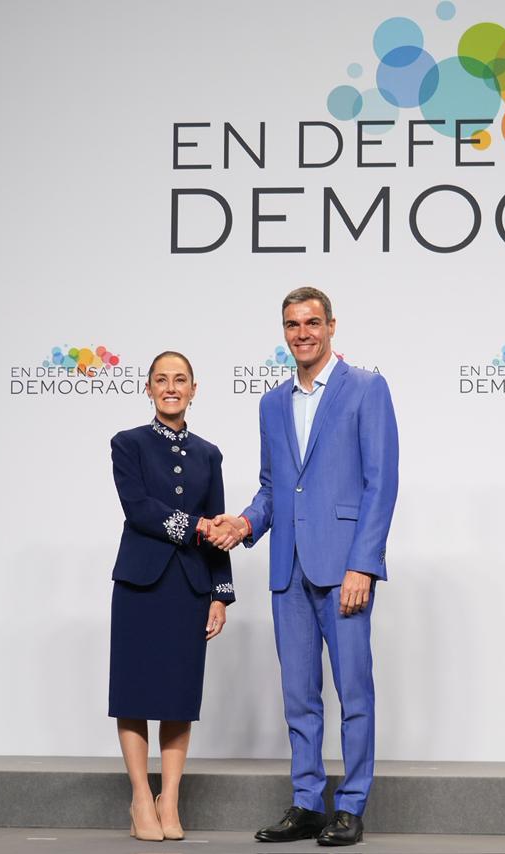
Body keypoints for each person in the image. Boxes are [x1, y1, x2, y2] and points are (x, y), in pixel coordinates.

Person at [212, 287, 399, 846]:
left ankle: (351, 805)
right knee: (299, 697)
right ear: (284, 332)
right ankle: (307, 802)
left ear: (331, 326)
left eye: (312, 323)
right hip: (287, 571)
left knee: (354, 693)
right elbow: (274, 488)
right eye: (293, 325)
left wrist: (363, 564)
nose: (302, 333)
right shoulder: (271, 403)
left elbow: (381, 483)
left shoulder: (366, 387)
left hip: (344, 570)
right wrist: (243, 525)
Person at [108, 351, 236, 842]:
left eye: (180, 380)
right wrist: (196, 526)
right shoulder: (128, 444)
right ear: (148, 389)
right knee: (135, 693)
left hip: (190, 587)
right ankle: (142, 797)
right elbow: (138, 508)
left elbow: (219, 524)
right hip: (140, 584)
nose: (170, 387)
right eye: (161, 380)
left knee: (179, 698)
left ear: (193, 390)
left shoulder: (209, 453)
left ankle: (171, 799)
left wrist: (220, 594)